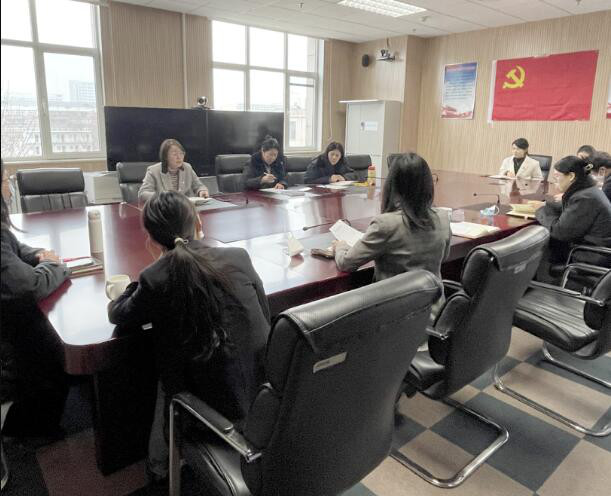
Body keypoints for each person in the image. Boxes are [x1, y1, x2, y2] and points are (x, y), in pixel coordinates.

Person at [108, 191, 270, 480]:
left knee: (169, 374)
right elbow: (265, 315)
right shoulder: (238, 258)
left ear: (151, 240)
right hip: (266, 404)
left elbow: (119, 314)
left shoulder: (155, 277)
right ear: (198, 222)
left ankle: (159, 469)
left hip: (211, 420)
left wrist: (139, 280)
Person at [0, 159, 70, 438]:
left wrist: (39, 255)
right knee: (53, 338)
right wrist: (55, 265)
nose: (9, 187)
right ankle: (29, 429)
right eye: (5, 180)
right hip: (8, 343)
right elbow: (29, 287)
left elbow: (15, 248)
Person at [331, 153, 451, 313]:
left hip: (395, 319)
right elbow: (445, 256)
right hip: (434, 313)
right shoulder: (442, 218)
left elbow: (346, 263)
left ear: (393, 185)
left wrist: (340, 246)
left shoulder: (385, 224)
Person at [534, 156, 611, 279]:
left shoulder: (585, 198)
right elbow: (569, 207)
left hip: (590, 256)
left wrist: (540, 211)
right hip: (596, 251)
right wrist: (546, 205)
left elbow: (559, 232)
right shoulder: (589, 191)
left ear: (571, 176)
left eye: (557, 176)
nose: (555, 180)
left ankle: (533, 283)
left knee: (537, 246)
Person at [138, 139, 209, 202]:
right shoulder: (154, 171)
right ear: (165, 157)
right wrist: (163, 197)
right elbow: (143, 194)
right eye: (175, 154)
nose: (179, 157)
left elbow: (198, 185)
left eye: (181, 153)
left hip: (185, 208)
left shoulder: (187, 167)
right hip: (164, 209)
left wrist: (201, 191)